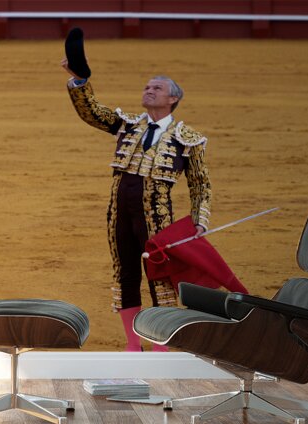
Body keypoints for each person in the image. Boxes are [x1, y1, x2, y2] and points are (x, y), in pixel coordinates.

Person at [62, 59, 212, 352]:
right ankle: (133, 345)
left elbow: (200, 183)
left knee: (160, 278)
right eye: (146, 87)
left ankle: (160, 345)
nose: (149, 90)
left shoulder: (187, 139)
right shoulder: (127, 124)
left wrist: (200, 219)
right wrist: (80, 81)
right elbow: (92, 112)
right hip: (118, 214)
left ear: (173, 99)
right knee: (125, 274)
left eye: (157, 88)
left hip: (157, 218)